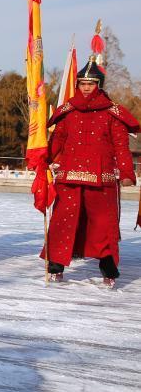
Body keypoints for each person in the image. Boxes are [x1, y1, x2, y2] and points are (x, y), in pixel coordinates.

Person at [42, 54, 138, 287]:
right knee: (62, 221)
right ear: (77, 85)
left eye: (91, 84)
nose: (86, 88)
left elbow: (120, 146)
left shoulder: (112, 113)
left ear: (99, 85)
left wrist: (126, 173)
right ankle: (56, 265)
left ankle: (108, 268)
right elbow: (58, 140)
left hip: (101, 176)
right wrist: (42, 159)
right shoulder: (67, 111)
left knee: (103, 225)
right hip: (69, 176)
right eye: (83, 84)